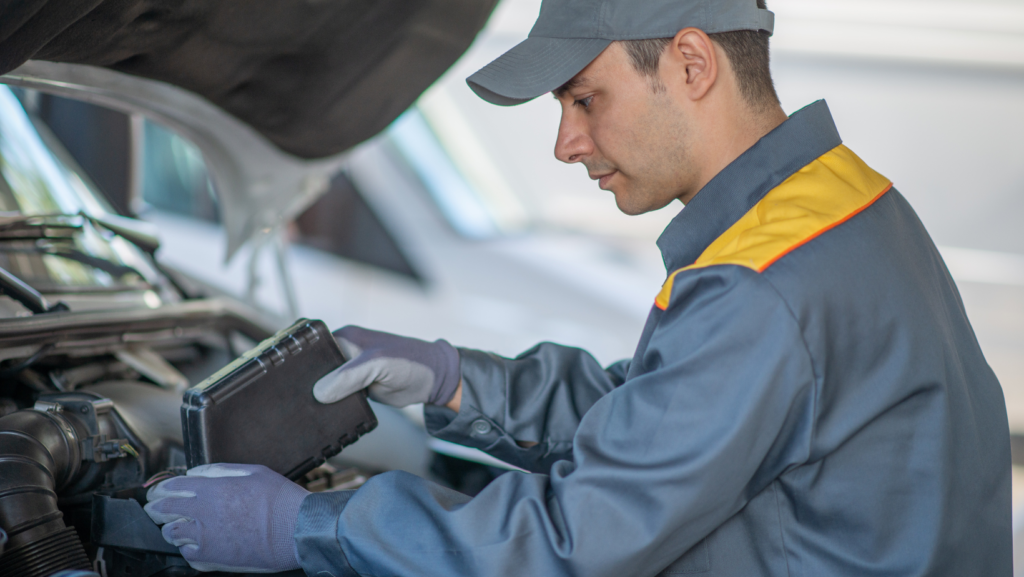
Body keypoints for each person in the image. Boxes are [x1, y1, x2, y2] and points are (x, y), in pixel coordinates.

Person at [144, 0, 1013, 575]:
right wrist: (458, 379)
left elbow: (570, 543)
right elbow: (663, 419)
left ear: (692, 63)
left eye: (585, 99)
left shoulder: (762, 286)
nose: (566, 143)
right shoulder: (844, 202)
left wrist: (309, 527)